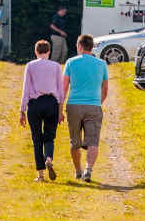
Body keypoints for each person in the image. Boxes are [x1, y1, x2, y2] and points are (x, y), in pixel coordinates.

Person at [61, 34, 108, 182]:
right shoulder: (101, 64)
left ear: (79, 46)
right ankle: (88, 169)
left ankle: (78, 171)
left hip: (74, 106)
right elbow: (105, 89)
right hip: (93, 106)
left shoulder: (70, 62)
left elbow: (63, 88)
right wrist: (97, 102)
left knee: (75, 142)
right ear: (91, 47)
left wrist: (59, 109)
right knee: (93, 141)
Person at [19, 39, 64, 182]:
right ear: (49, 52)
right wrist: (60, 111)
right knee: (49, 136)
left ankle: (40, 174)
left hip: (35, 104)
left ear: (36, 52)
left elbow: (26, 89)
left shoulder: (30, 66)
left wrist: (22, 110)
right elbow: (60, 91)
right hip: (51, 103)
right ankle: (48, 158)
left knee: (37, 138)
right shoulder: (56, 66)